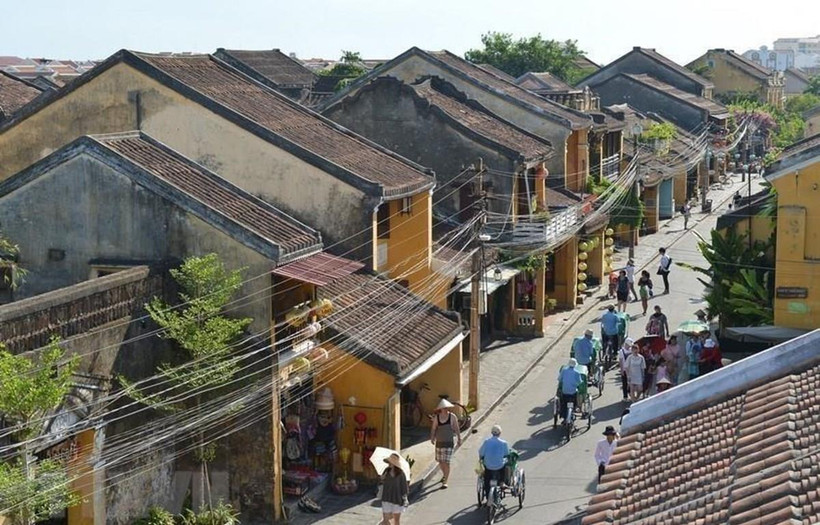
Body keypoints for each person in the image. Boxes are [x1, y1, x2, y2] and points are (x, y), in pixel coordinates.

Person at [430, 398, 461, 488]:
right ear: (441, 409)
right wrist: (432, 437)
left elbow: (456, 428)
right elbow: (433, 428)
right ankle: (444, 475)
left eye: (446, 408)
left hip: (448, 442)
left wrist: (459, 438)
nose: (445, 409)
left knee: (446, 462)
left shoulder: (452, 417)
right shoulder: (437, 418)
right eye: (444, 408)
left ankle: (445, 481)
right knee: (440, 461)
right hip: (439, 442)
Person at [478, 424, 510, 504]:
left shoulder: (486, 442)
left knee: (486, 478)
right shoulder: (503, 443)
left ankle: (487, 494)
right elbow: (507, 453)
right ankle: (502, 481)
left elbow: (481, 453)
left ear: (492, 433)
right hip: (499, 466)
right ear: (500, 433)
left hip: (488, 466)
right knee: (505, 464)